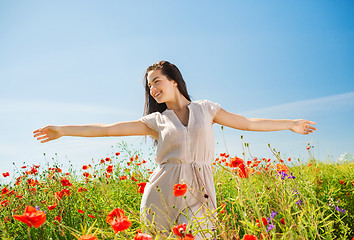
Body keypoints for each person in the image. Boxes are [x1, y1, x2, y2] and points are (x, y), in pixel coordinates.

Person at [33, 61, 317, 239]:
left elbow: (247, 123)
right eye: (149, 86)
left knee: (203, 234)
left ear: (174, 81)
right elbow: (108, 129)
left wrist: (290, 123)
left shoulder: (206, 109)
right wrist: (62, 129)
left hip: (199, 190)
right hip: (162, 191)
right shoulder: (156, 121)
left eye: (157, 81)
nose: (153, 89)